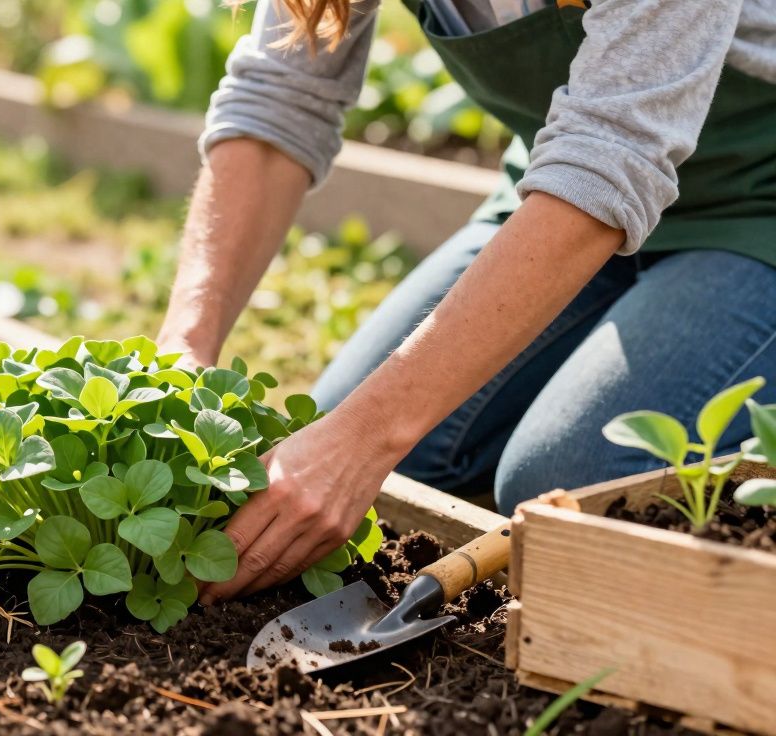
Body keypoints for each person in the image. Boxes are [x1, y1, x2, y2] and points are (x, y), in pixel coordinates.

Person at [158, 0, 776, 606]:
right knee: (343, 452)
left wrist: (364, 437)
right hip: (558, 196)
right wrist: (184, 346)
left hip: (750, 200)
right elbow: (278, 100)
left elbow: (612, 156)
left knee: (570, 481)